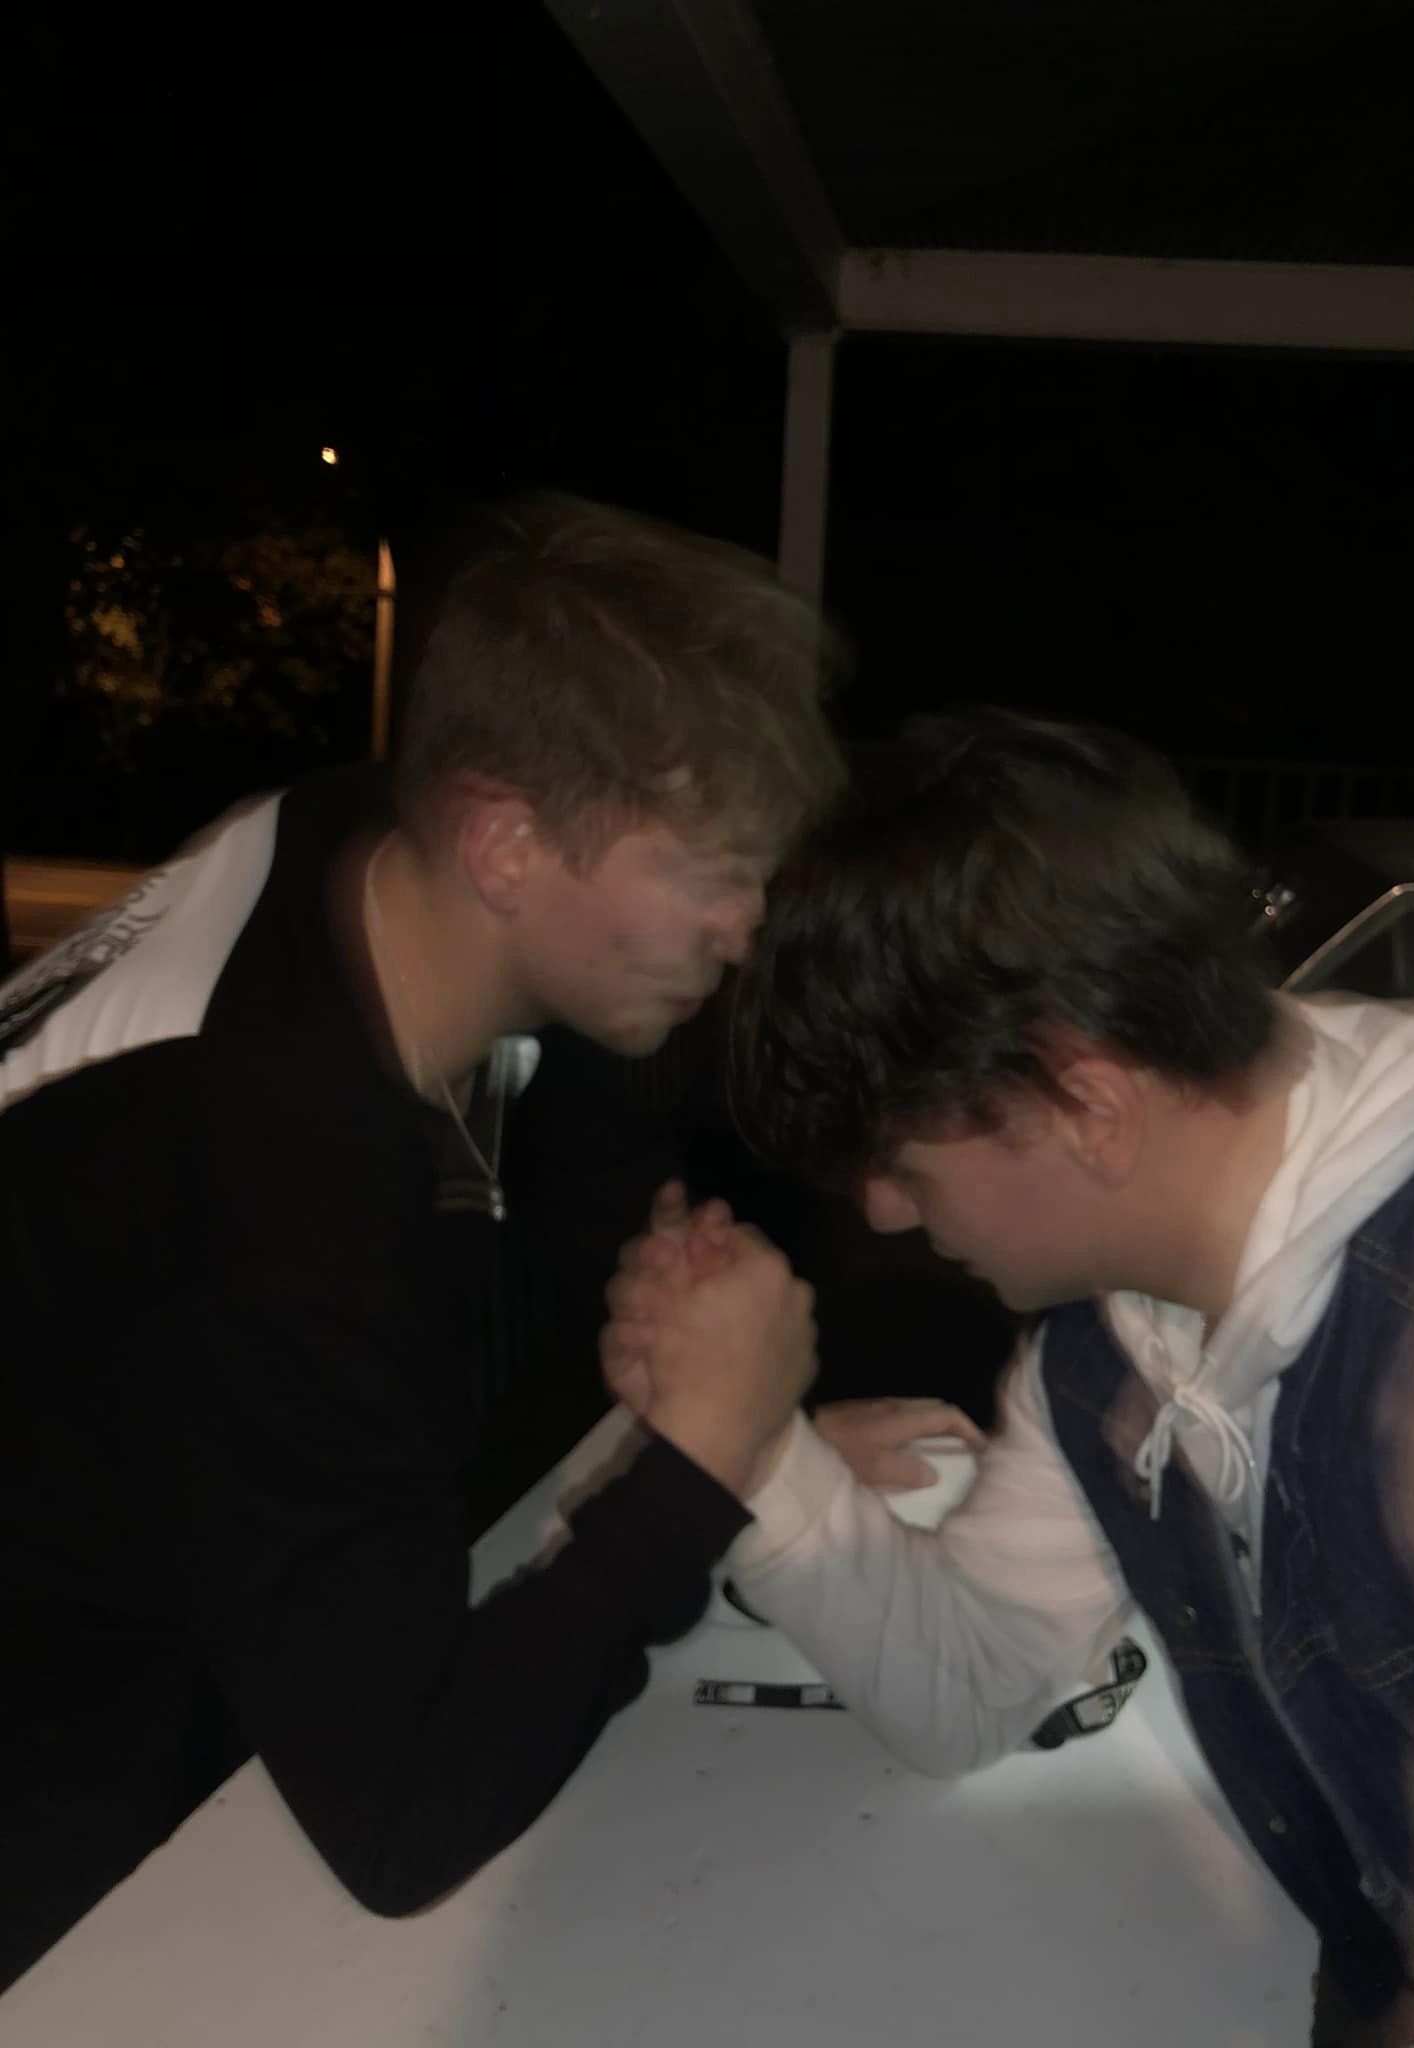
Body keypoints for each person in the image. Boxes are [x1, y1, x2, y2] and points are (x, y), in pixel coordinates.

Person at [0, 493, 844, 1987]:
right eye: (714, 872)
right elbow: (408, 1814)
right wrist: (705, 1467)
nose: (745, 928)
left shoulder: (357, 843)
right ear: (505, 843)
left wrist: (774, 1427)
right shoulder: (275, 1183)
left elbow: (601, 1174)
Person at [603, 707, 1414, 2048]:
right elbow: (969, 1685)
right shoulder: (1116, 1346)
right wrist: (746, 1442)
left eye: (899, 1161)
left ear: (1088, 1107)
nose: (879, 1211)